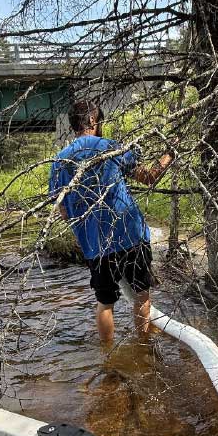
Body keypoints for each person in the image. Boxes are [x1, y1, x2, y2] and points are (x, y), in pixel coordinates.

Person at [49, 99, 175, 344]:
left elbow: (63, 211)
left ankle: (107, 357)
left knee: (105, 303)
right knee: (141, 294)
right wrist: (170, 154)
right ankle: (143, 346)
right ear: (93, 121)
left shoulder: (59, 162)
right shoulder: (111, 147)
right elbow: (148, 177)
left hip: (95, 246)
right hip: (130, 235)